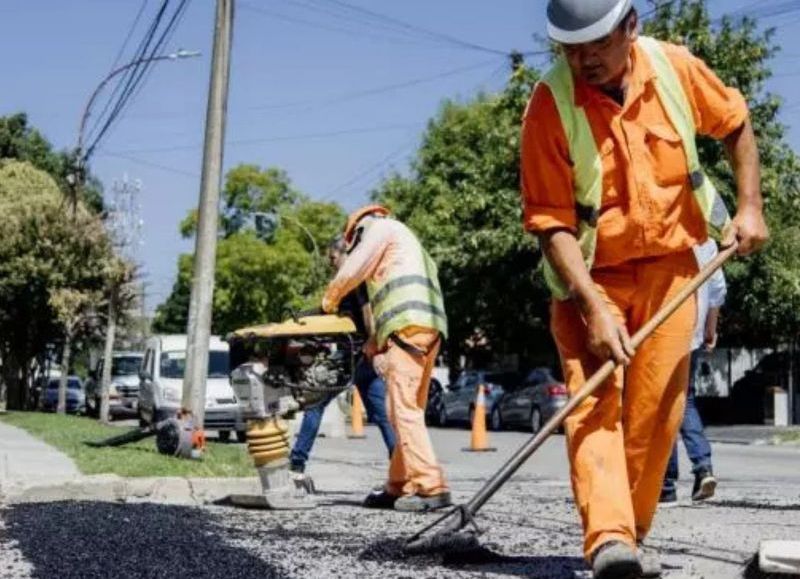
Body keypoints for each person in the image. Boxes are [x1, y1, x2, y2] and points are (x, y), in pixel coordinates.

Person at [520, 1, 768, 577]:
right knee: (593, 403)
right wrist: (592, 308)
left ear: (630, 27)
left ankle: (630, 533)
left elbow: (734, 123)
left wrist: (751, 207)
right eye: (570, 48)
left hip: (673, 270)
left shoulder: (674, 69)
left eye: (597, 44)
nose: (584, 59)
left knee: (658, 413)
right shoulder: (549, 106)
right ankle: (609, 540)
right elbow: (551, 222)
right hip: (589, 275)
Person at [321, 204, 451, 512]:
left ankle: (431, 486)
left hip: (407, 328)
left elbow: (353, 270)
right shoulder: (407, 240)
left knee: (402, 411)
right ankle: (397, 486)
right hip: (427, 328)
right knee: (404, 410)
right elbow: (392, 295)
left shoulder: (380, 231)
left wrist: (329, 300)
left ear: (358, 231)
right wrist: (375, 343)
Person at [289, 237, 396, 485]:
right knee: (381, 416)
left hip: (353, 355)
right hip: (360, 356)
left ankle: (296, 465)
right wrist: (301, 317)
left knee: (315, 405)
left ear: (346, 254)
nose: (330, 262)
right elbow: (328, 312)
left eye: (333, 257)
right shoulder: (347, 282)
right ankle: (401, 466)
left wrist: (374, 346)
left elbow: (368, 316)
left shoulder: (356, 282)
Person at [660, 238, 726, 504]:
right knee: (685, 400)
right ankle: (703, 468)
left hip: (663, 332)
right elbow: (717, 290)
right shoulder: (706, 241)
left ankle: (666, 485)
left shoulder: (665, 234)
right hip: (694, 334)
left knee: (662, 406)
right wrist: (710, 329)